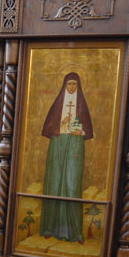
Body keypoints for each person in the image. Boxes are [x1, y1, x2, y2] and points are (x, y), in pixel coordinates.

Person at [39, 73, 93, 243]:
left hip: (75, 145)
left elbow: (87, 130)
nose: (71, 87)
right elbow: (49, 127)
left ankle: (76, 232)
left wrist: (80, 131)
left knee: (72, 185)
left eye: (74, 84)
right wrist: (61, 125)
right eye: (69, 84)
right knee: (54, 183)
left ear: (78, 86)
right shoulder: (58, 104)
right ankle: (49, 228)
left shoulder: (81, 105)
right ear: (64, 85)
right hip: (58, 143)